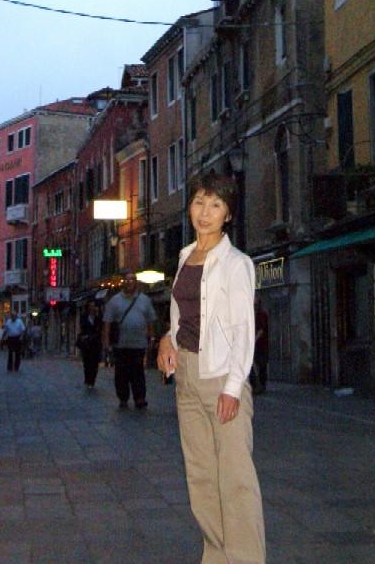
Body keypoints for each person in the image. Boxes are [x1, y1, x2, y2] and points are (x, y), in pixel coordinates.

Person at [157, 173, 265, 564]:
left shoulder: (236, 264)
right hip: (186, 377)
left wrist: (233, 388)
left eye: (216, 205)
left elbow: (243, 330)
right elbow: (184, 314)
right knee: (201, 477)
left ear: (228, 214)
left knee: (235, 480)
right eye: (200, 202)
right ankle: (217, 556)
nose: (205, 212)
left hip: (221, 377)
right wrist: (167, 338)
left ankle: (245, 559)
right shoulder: (186, 256)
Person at [103, 271, 156, 409]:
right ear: (123, 283)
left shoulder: (145, 300)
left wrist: (152, 338)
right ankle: (123, 397)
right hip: (120, 345)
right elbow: (107, 322)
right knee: (121, 373)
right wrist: (106, 342)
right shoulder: (114, 301)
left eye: (132, 280)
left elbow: (150, 321)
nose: (129, 282)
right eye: (127, 280)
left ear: (136, 282)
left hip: (139, 344)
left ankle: (140, 398)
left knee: (138, 372)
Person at [76, 300, 103, 388]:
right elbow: (82, 328)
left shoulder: (98, 318)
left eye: (93, 306)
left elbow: (100, 330)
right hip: (86, 344)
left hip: (95, 343)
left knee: (95, 363)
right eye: (90, 306)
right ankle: (87, 379)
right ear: (87, 308)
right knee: (87, 362)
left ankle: (92, 380)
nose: (92, 308)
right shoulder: (84, 317)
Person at [249, 298, 269, 395]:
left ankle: (261, 385)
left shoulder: (261, 315)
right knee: (252, 366)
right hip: (253, 344)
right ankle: (255, 385)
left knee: (261, 365)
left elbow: (261, 330)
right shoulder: (251, 314)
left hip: (261, 344)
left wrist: (254, 340)